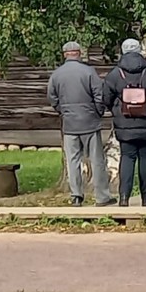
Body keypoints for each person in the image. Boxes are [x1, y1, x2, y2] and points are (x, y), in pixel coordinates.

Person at [46, 41, 113, 206]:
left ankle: (76, 195)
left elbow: (51, 96)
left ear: (65, 54)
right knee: (96, 160)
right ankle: (102, 197)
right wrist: (98, 112)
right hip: (90, 122)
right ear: (79, 53)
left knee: (73, 160)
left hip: (69, 124)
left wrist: (62, 110)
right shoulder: (88, 71)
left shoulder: (57, 74)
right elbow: (99, 94)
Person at [105, 37, 146, 206]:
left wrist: (117, 111)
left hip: (124, 124)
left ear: (123, 51)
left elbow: (106, 98)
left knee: (127, 158)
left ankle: (124, 198)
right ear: (140, 50)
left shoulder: (115, 75)